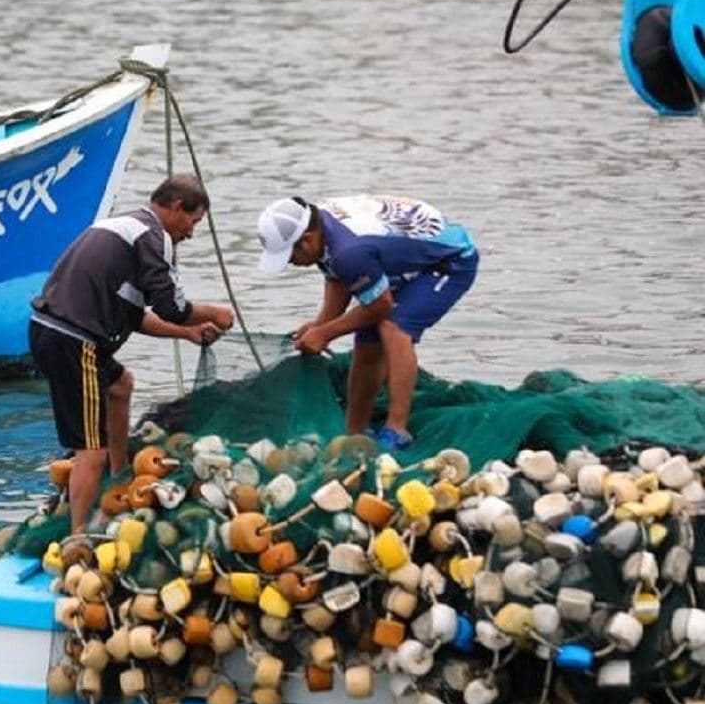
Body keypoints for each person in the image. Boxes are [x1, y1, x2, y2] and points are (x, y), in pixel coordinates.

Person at [29, 174, 237, 537]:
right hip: (76, 341)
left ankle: (119, 474)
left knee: (121, 384)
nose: (191, 233)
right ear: (176, 207)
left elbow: (134, 315)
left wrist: (187, 333)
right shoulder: (153, 237)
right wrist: (214, 313)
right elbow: (172, 307)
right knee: (90, 451)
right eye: (193, 221)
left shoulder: (126, 228)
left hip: (51, 330)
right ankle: (78, 536)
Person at [255, 194, 479, 452]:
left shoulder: (348, 252)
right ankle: (355, 430)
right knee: (366, 340)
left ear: (306, 240)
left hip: (449, 261)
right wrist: (321, 324)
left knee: (393, 328)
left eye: (289, 256)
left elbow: (380, 306)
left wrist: (325, 333)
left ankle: (397, 430)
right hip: (399, 261)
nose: (290, 263)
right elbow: (337, 276)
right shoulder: (320, 228)